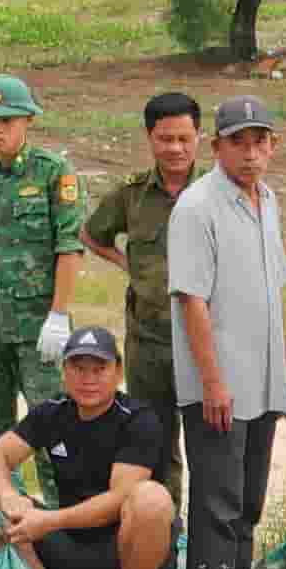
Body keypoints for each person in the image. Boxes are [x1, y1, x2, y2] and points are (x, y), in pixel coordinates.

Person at [167, 95, 286, 569]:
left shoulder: (267, 199)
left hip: (263, 375)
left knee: (249, 495)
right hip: (220, 380)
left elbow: (273, 294)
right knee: (217, 495)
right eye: (238, 142)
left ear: (273, 147)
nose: (250, 153)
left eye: (259, 141)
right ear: (216, 146)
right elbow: (191, 300)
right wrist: (212, 382)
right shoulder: (198, 207)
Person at [0, 74, 83, 502]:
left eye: (6, 119)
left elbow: (69, 246)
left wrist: (59, 315)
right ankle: (5, 521)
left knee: (51, 429)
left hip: (38, 326)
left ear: (28, 120)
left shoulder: (52, 173)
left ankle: (63, 523)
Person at [0, 326, 176, 569]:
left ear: (118, 372)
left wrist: (49, 521)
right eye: (78, 368)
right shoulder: (53, 412)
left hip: (124, 553)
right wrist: (8, 496)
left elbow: (119, 499)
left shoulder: (139, 420)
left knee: (152, 499)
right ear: (64, 372)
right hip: (70, 548)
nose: (88, 379)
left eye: (99, 369)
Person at [80, 91, 201, 509]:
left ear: (199, 138)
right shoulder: (131, 195)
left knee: (210, 443)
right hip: (149, 341)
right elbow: (92, 234)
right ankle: (165, 531)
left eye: (184, 138)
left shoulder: (215, 192)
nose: (176, 148)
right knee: (155, 440)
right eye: (166, 138)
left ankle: (207, 538)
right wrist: (128, 264)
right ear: (150, 138)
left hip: (207, 342)